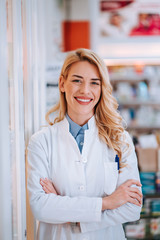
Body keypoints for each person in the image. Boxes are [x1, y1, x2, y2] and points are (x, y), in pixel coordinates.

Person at [27, 48, 142, 240]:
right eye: (77, 80)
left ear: (102, 88)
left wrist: (69, 213)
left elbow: (131, 209)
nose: (85, 90)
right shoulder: (41, 141)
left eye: (94, 83)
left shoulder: (120, 140)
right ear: (62, 83)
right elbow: (40, 207)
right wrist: (106, 203)